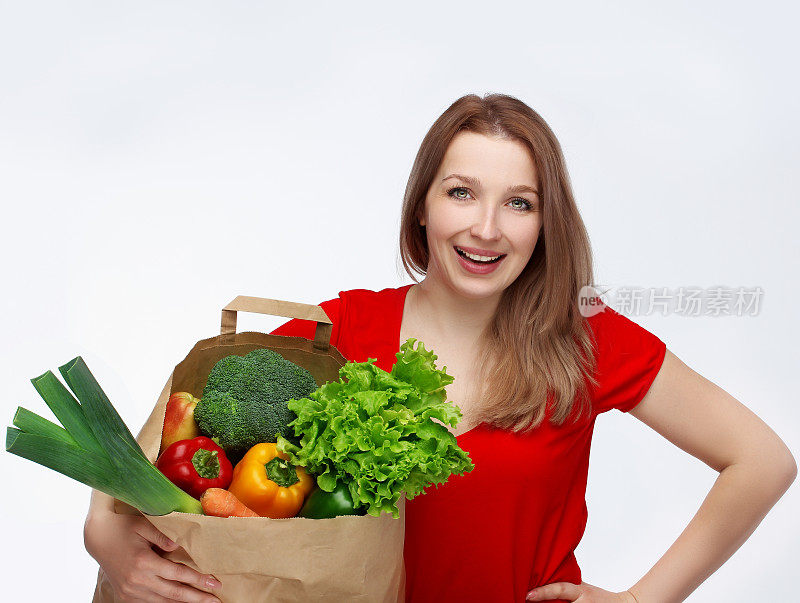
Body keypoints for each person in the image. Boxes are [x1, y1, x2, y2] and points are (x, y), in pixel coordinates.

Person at [83, 93, 796, 602]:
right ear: (423, 205)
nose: (487, 227)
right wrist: (104, 536)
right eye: (462, 193)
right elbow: (180, 416)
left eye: (519, 202)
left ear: (546, 225)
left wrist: (645, 598)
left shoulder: (584, 340)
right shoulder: (343, 333)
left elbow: (762, 459)